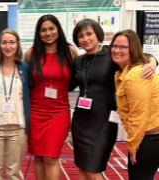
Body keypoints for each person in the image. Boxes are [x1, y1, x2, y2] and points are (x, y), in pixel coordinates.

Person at [69, 19, 157, 180]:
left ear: (98, 34)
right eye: (80, 36)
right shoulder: (79, 61)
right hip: (81, 121)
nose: (85, 38)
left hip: (103, 122)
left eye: (89, 33)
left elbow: (142, 56)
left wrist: (153, 62)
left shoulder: (112, 53)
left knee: (93, 170)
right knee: (82, 168)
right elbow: (69, 85)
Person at [24, 14, 77, 180]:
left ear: (58, 30)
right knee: (38, 157)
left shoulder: (70, 52)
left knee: (51, 157)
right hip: (35, 113)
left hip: (59, 113)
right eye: (43, 30)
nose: (48, 33)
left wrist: (151, 60)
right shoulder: (30, 54)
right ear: (38, 33)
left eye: (51, 28)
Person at [111, 29, 159, 180]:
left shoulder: (135, 75)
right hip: (145, 134)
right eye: (114, 46)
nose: (117, 50)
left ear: (133, 50)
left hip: (152, 134)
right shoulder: (122, 72)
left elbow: (138, 114)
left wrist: (132, 145)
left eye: (123, 47)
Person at [0, 29, 30, 180]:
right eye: (4, 42)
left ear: (17, 45)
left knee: (13, 172)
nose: (8, 46)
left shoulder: (24, 68)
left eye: (12, 42)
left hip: (18, 128)